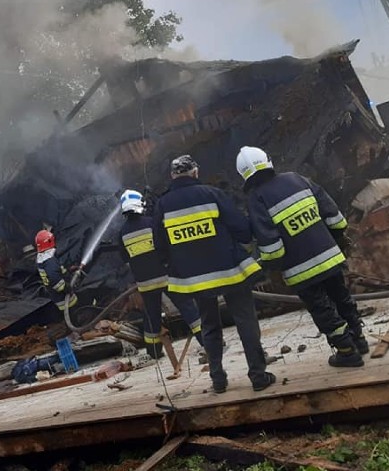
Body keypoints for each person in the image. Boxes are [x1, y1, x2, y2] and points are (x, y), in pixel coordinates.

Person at [153, 155, 275, 393]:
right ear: (195, 173)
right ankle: (258, 376)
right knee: (245, 320)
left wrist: (176, 263)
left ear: (172, 176)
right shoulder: (212, 194)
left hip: (195, 279)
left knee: (209, 326)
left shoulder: (162, 205)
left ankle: (218, 379)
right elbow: (240, 228)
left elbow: (159, 245)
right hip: (230, 271)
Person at [237, 146, 367, 367]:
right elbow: (335, 218)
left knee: (323, 310)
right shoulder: (296, 179)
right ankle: (359, 341)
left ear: (244, 175)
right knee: (342, 298)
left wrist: (267, 268)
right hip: (331, 257)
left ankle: (347, 351)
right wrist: (333, 242)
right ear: (268, 162)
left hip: (301, 270)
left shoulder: (257, 199)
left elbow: (272, 248)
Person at [118, 189, 203, 359]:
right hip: (166, 277)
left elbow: (124, 257)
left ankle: (154, 352)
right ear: (140, 204)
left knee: (151, 317)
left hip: (145, 283)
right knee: (187, 307)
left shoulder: (122, 233)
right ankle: (207, 341)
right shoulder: (151, 223)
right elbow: (166, 246)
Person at [34, 229, 77, 315]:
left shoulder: (42, 258)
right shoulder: (49, 260)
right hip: (62, 295)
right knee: (73, 312)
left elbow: (55, 271)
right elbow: (54, 278)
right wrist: (66, 288)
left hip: (56, 296)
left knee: (68, 313)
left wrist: (68, 270)